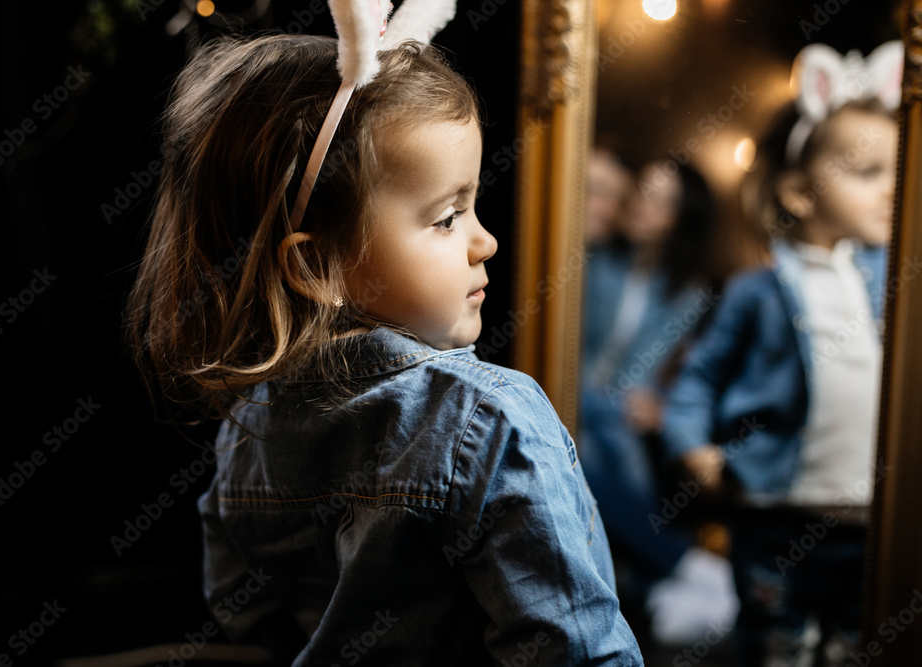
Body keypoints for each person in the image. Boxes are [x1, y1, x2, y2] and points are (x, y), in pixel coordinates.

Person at [125, 22, 643, 667]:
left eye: (474, 206)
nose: (486, 242)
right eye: (448, 217)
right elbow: (578, 652)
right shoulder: (492, 423)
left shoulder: (245, 428)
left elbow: (247, 612)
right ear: (318, 268)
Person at [662, 41, 903, 666]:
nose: (891, 191)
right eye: (866, 172)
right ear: (799, 193)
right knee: (777, 649)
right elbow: (697, 378)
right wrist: (694, 448)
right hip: (776, 517)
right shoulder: (757, 290)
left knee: (856, 647)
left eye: (899, 172)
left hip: (871, 520)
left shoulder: (895, 283)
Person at [579, 158, 718, 637]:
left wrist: (655, 402)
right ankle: (676, 565)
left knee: (617, 458)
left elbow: (651, 371)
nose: (641, 203)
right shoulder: (595, 259)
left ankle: (643, 599)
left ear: (678, 218)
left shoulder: (687, 292)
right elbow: (567, 353)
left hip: (613, 413)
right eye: (642, 189)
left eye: (660, 200)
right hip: (573, 399)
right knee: (598, 448)